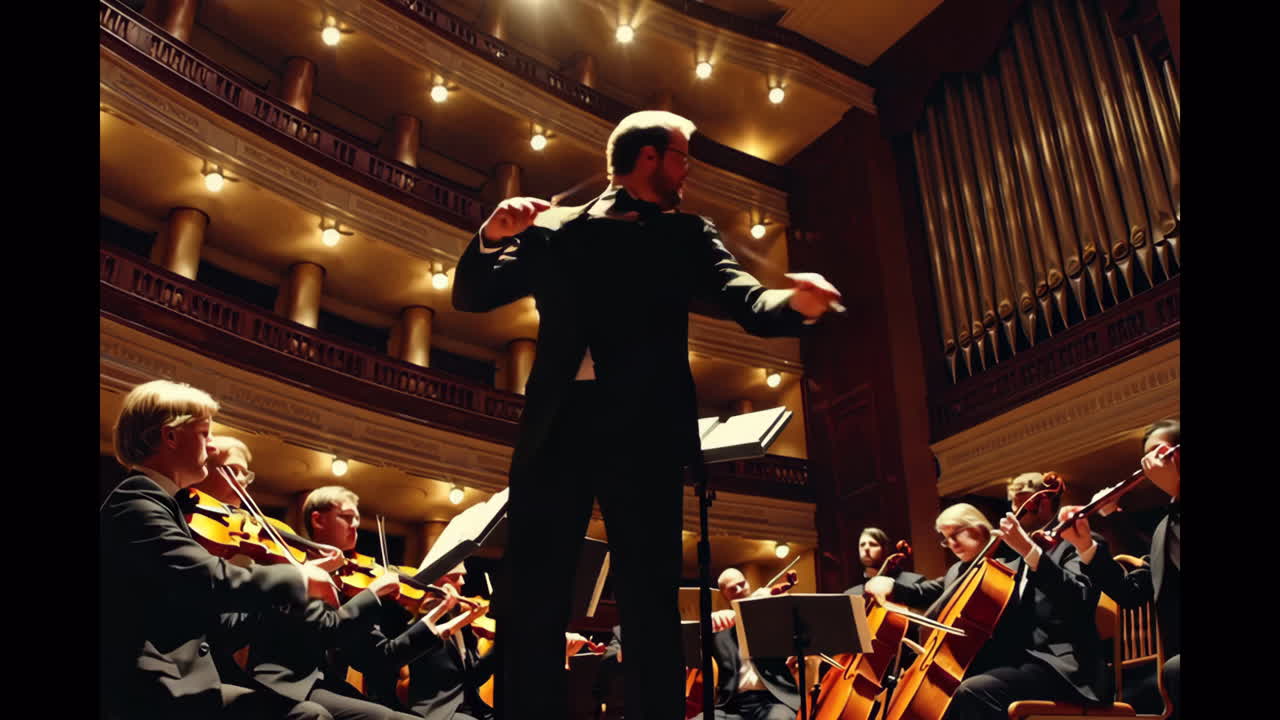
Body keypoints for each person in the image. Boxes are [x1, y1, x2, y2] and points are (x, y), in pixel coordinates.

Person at [452, 110, 842, 719]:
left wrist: (796, 302)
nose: (689, 171)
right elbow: (473, 295)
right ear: (651, 157)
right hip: (559, 424)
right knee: (534, 589)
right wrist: (492, 235)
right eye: (684, 156)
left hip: (643, 430)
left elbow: (746, 299)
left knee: (651, 597)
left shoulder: (685, 235)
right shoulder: (553, 228)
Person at [99, 380, 336, 720]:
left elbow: (217, 626)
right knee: (307, 717)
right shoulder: (135, 503)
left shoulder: (166, 506)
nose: (211, 446)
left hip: (184, 683)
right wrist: (298, 576)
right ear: (170, 436)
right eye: (204, 433)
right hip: (145, 691)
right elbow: (209, 579)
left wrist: (285, 601)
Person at [865, 499, 1107, 720]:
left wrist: (1031, 552)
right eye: (945, 538)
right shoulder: (965, 570)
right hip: (1017, 662)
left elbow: (1079, 600)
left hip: (1064, 667)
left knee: (972, 690)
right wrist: (890, 584)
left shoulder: (1057, 551)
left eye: (956, 533)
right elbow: (927, 592)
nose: (951, 543)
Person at [244, 485, 437, 720]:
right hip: (287, 683)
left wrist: (436, 621)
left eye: (357, 519)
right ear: (318, 520)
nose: (355, 525)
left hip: (324, 685)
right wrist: (372, 595)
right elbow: (322, 632)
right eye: (346, 517)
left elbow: (379, 657)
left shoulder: (348, 582)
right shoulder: (291, 571)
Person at [1059, 418, 1181, 719]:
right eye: (1148, 457)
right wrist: (1085, 545)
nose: (1153, 463)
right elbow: (1130, 594)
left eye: (1161, 452)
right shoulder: (1164, 529)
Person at [689, 567, 801, 720]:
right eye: (732, 588)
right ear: (724, 595)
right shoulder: (719, 628)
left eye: (742, 584)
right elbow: (693, 653)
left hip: (772, 700)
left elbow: (792, 623)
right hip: (732, 705)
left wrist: (772, 600)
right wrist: (705, 626)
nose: (740, 589)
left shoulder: (768, 620)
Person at [842, 526, 925, 598]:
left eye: (873, 544)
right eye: (862, 545)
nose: (866, 548)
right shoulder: (851, 595)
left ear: (885, 549)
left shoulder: (914, 582)